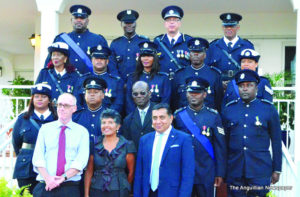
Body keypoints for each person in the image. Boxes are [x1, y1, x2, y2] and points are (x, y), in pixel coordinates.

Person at [221, 70, 282, 197]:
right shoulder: (229, 109)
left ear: (257, 87)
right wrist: (223, 170)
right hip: (235, 169)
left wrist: (277, 169)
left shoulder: (268, 109)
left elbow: (276, 141)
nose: (245, 89)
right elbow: (223, 144)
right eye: (241, 86)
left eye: (249, 85)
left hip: (259, 169)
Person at [173, 77, 226, 197]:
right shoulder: (178, 115)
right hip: (184, 171)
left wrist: (220, 173)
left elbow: (220, 146)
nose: (193, 96)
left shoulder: (213, 116)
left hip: (206, 171)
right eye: (191, 93)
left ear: (204, 95)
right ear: (186, 94)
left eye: (197, 93)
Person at [32, 93, 89, 197]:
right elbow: (38, 158)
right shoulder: (45, 129)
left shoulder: (82, 132)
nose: (62, 108)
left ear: (74, 108)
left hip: (69, 187)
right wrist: (48, 179)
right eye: (59, 105)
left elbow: (81, 161)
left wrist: (62, 178)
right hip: (46, 185)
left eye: (66, 105)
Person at [134, 103, 195, 197]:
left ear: (171, 118)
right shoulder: (145, 140)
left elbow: (188, 174)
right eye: (155, 118)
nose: (158, 121)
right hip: (148, 192)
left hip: (172, 193)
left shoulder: (183, 139)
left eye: (162, 117)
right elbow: (139, 173)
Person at [12, 83, 57, 193]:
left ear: (49, 100)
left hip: (49, 166)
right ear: (32, 99)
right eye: (36, 96)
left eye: (43, 96)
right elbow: (16, 143)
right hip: (27, 165)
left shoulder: (56, 118)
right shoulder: (23, 119)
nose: (39, 99)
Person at [84, 109, 136, 197]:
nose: (106, 125)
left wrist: (125, 187)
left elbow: (131, 172)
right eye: (103, 122)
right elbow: (89, 171)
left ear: (118, 126)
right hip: (96, 190)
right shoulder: (94, 144)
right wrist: (86, 194)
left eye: (110, 122)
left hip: (119, 191)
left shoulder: (127, 145)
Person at [44, 4, 108, 74]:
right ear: (71, 20)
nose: (79, 20)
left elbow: (107, 64)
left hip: (89, 82)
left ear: (87, 21)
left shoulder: (98, 40)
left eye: (82, 18)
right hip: (66, 82)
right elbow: (49, 64)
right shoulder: (61, 39)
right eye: (76, 18)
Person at [172, 37, 223, 112]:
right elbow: (174, 101)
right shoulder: (179, 74)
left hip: (207, 118)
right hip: (184, 118)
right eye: (193, 52)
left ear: (205, 55)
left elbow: (219, 101)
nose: (196, 55)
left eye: (199, 52)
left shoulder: (214, 74)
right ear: (189, 54)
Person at [205, 13, 254, 88]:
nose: (228, 28)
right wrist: (217, 84)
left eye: (232, 26)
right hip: (218, 88)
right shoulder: (213, 46)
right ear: (222, 27)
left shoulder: (247, 46)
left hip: (240, 88)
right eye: (226, 26)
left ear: (238, 27)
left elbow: (253, 69)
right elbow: (207, 69)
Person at [74, 45, 124, 113]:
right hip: (85, 119)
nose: (99, 61)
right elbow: (76, 102)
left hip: (107, 120)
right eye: (96, 58)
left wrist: (107, 116)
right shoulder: (82, 80)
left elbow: (118, 104)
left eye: (102, 58)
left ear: (107, 61)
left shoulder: (116, 82)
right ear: (92, 60)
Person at [126, 41, 171, 114]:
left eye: (149, 56)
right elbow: (129, 103)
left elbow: (165, 102)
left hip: (157, 118)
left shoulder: (163, 78)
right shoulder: (132, 78)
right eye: (143, 56)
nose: (145, 59)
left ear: (155, 58)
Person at [109, 9, 149, 81]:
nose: (129, 25)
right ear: (121, 24)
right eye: (126, 23)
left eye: (132, 22)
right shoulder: (115, 44)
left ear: (135, 23)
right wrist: (119, 81)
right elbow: (112, 66)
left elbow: (149, 64)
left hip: (140, 84)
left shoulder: (144, 42)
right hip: (120, 84)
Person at [154, 5, 192, 79]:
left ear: (179, 23)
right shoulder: (157, 41)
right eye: (168, 20)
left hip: (182, 82)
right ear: (165, 24)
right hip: (163, 82)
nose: (171, 23)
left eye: (175, 20)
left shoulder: (188, 40)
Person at [73, 77, 107, 147]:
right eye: (89, 92)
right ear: (84, 95)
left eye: (96, 92)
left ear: (103, 95)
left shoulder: (110, 116)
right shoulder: (76, 117)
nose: (92, 95)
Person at [122, 81, 154, 149]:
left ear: (149, 94)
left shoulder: (160, 114)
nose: (139, 96)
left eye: (142, 93)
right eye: (135, 94)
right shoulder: (128, 120)